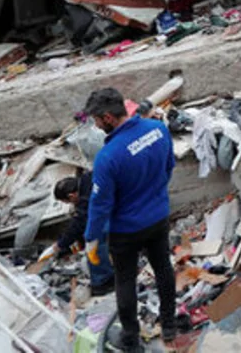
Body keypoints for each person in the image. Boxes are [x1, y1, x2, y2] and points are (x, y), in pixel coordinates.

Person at [82, 87, 177, 351]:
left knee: (124, 281)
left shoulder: (108, 156)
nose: (97, 126)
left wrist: (91, 237)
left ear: (109, 118)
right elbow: (169, 167)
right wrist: (155, 197)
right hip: (158, 217)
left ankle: (131, 339)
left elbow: (100, 204)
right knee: (163, 269)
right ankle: (169, 326)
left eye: (97, 120)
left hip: (126, 230)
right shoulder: (158, 130)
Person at [39, 173, 114, 296]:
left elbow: (79, 224)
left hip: (123, 210)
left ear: (72, 195)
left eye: (68, 202)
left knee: (94, 241)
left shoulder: (86, 199)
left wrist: (58, 246)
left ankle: (103, 282)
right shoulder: (87, 178)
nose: (71, 205)